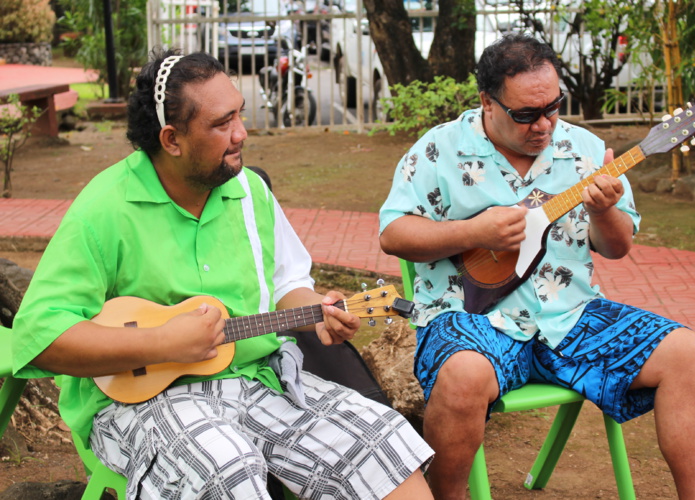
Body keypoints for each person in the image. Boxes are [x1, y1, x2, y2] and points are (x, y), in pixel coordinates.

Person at [11, 48, 434, 500]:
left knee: (383, 442)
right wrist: (163, 342)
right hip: (135, 403)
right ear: (172, 139)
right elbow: (40, 334)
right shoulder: (105, 207)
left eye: (240, 115)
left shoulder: (249, 191)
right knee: (226, 468)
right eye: (221, 123)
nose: (241, 133)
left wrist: (321, 312)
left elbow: (288, 284)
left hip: (258, 379)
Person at [379, 33, 695, 499]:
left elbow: (617, 248)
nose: (544, 125)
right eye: (526, 114)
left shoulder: (586, 151)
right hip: (469, 317)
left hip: (571, 315)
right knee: (463, 375)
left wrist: (603, 210)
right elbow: (392, 234)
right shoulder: (440, 149)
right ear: (488, 102)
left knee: (686, 352)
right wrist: (473, 233)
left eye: (553, 108)